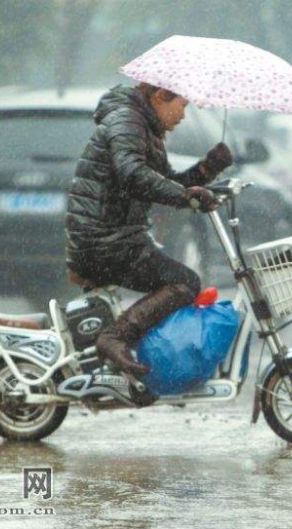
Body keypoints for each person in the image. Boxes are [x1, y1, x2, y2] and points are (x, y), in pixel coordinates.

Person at [65, 83, 234, 376]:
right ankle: (116, 337)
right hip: (104, 241)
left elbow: (165, 182)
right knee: (184, 282)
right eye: (181, 106)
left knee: (178, 279)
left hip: (114, 237)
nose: (182, 116)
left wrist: (208, 169)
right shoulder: (127, 121)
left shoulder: (144, 127)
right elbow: (133, 174)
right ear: (160, 97)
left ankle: (131, 357)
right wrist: (186, 197)